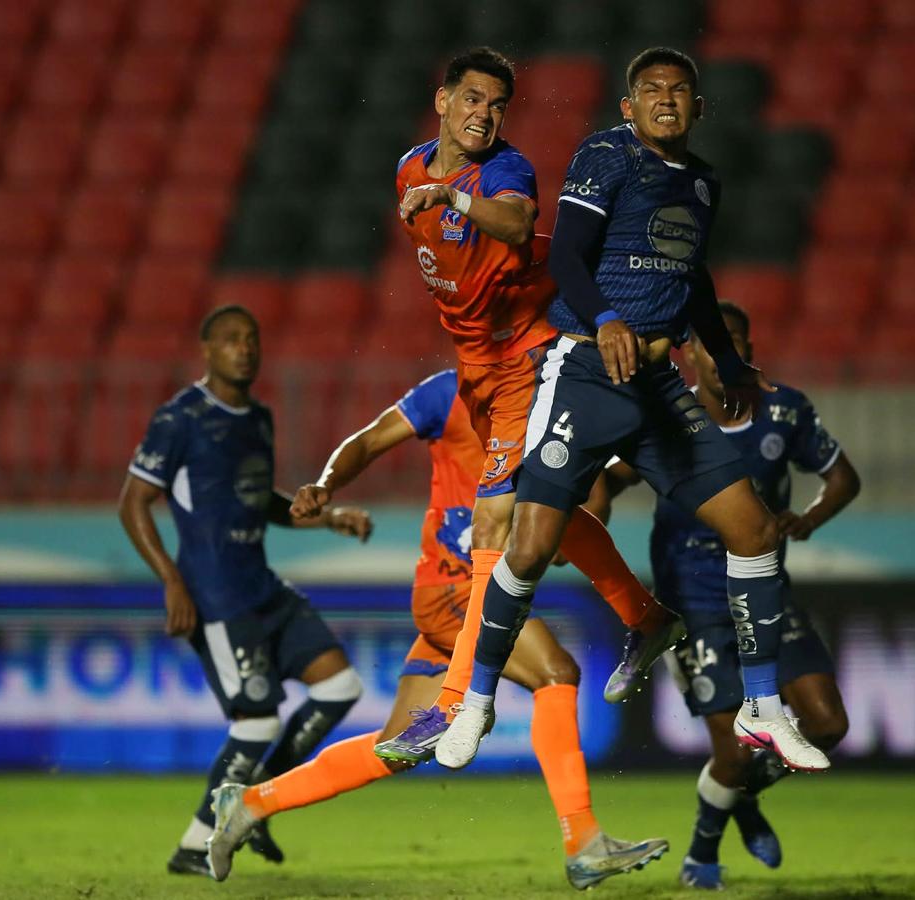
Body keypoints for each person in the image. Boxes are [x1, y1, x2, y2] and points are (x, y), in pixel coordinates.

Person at [435, 47, 830, 773]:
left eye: (680, 91)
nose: (667, 100)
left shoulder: (703, 184)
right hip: (585, 368)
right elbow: (567, 259)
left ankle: (763, 707)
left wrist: (728, 359)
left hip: (657, 385)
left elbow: (694, 279)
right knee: (527, 551)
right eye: (651, 90)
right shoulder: (604, 156)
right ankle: (475, 704)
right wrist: (610, 318)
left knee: (754, 531)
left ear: (698, 108)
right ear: (630, 106)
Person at [346, 46, 682, 763]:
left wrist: (458, 200)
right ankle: (646, 618)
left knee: (499, 515)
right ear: (442, 101)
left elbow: (513, 218)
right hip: (479, 363)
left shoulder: (503, 171)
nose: (484, 114)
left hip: (530, 353)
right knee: (545, 516)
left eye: (497, 105)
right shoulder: (410, 169)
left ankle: (460, 701)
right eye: (472, 99)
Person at [204, 369, 667, 889]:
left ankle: (245, 805)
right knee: (555, 673)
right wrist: (326, 485)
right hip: (454, 589)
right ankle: (582, 840)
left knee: (397, 747)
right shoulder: (448, 392)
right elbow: (371, 438)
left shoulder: (553, 395)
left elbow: (588, 488)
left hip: (473, 593)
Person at [586, 301, 857, 890]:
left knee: (828, 724)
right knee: (731, 754)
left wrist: (806, 520)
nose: (726, 353)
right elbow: (610, 475)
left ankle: (738, 799)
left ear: (748, 351)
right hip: (695, 602)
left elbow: (843, 478)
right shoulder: (665, 414)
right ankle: (703, 853)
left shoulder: (785, 410)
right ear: (691, 353)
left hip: (767, 596)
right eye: (713, 341)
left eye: (736, 341)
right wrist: (587, 499)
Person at [118, 305, 372, 876]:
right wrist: (172, 583)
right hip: (215, 596)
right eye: (231, 340)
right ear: (206, 350)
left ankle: (255, 800)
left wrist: (330, 518)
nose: (244, 348)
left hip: (261, 586)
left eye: (252, 339)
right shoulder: (179, 418)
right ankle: (195, 842)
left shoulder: (259, 418)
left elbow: (261, 500)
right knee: (256, 722)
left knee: (339, 686)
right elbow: (132, 502)